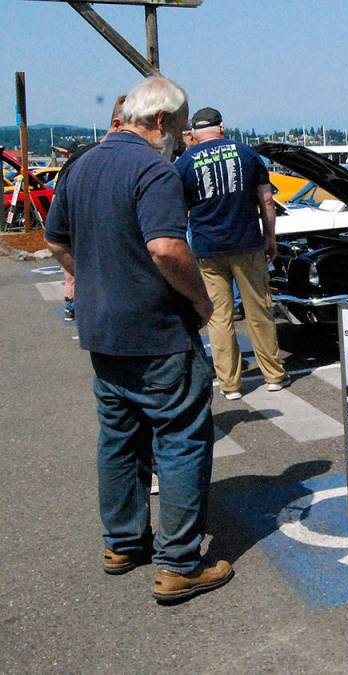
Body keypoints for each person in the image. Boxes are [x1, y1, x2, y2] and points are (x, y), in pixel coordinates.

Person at [44, 76, 233, 604]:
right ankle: (179, 564)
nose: (180, 138)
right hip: (156, 330)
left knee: (120, 438)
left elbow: (55, 239)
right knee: (181, 438)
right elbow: (167, 248)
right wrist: (201, 301)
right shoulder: (154, 169)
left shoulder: (82, 165)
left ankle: (123, 543)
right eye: (180, 127)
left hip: (101, 329)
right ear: (161, 121)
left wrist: (87, 277)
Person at [174, 107, 288, 400]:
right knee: (259, 310)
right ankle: (273, 375)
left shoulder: (185, 163)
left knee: (218, 317)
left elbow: (179, 213)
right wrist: (270, 237)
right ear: (222, 127)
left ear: (194, 133)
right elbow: (267, 201)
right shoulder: (247, 154)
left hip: (207, 248)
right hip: (247, 243)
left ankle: (230, 384)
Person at [58, 95, 127, 322]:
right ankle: (74, 302)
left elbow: (56, 231)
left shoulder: (80, 160)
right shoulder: (87, 159)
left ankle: (74, 303)